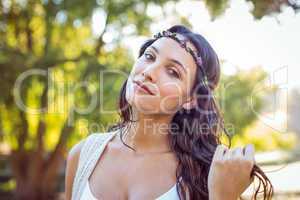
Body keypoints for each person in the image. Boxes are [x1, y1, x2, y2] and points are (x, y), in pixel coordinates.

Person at [65, 25, 273, 200]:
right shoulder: (83, 155)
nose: (149, 72)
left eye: (172, 72)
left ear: (191, 100)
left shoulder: (206, 175)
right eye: (149, 56)